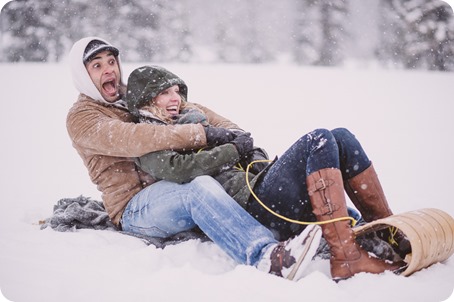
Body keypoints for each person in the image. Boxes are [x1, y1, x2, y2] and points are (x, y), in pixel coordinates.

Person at [67, 36, 325, 282]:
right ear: (83, 74)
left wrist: (231, 135)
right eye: (97, 65)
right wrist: (203, 135)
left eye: (111, 62)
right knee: (198, 188)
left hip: (171, 185)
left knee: (256, 186)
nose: (109, 70)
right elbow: (135, 137)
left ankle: (344, 228)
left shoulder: (136, 98)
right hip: (134, 209)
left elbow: (205, 115)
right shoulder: (83, 117)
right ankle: (265, 256)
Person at [123, 65, 409, 281]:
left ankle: (384, 228)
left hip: (259, 187)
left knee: (340, 136)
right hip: (250, 205)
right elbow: (179, 171)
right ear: (147, 100)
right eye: (164, 93)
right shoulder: (149, 137)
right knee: (317, 140)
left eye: (177, 91)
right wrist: (232, 150)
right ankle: (346, 256)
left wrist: (249, 151)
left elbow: (248, 148)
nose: (175, 98)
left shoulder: (194, 121)